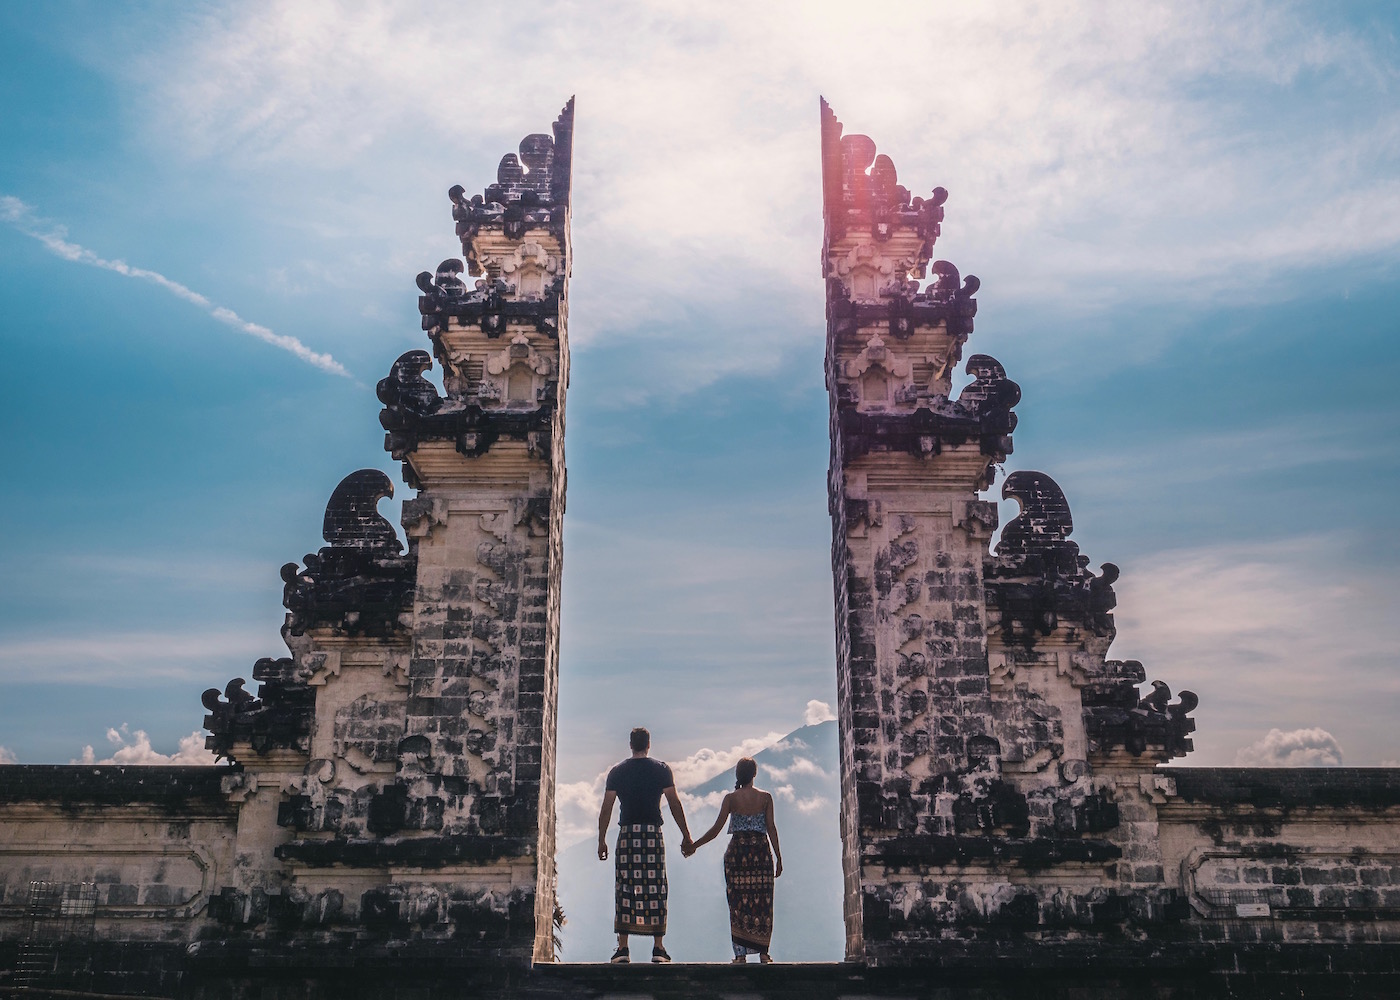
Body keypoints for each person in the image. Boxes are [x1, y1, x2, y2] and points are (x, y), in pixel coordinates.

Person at [597, 726, 693, 964]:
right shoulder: (661, 770)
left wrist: (601, 839)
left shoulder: (617, 772)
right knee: (656, 886)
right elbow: (674, 803)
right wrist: (686, 835)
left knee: (625, 886)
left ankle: (623, 949)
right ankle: (658, 948)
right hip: (652, 833)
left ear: (631, 745)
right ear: (648, 744)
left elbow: (607, 807)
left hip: (627, 834)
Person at [683, 757, 782, 963]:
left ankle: (740, 955)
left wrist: (695, 845)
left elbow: (716, 830)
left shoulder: (730, 798)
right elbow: (771, 828)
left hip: (737, 855)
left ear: (737, 775)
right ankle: (764, 953)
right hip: (761, 854)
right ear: (754, 774)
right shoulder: (766, 798)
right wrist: (779, 857)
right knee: (763, 903)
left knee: (737, 904)